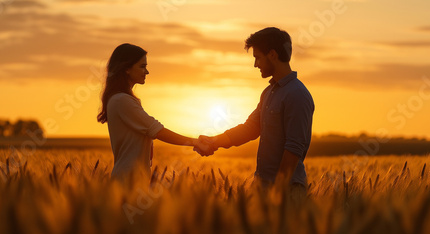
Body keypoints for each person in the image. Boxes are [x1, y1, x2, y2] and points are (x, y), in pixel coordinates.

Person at [196, 27, 315, 196]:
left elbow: (295, 147)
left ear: (272, 55)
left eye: (257, 57)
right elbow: (249, 128)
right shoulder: (269, 93)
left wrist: (277, 190)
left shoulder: (297, 94)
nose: (255, 64)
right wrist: (214, 141)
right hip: (263, 187)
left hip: (286, 190)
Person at [98, 43, 212, 184]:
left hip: (133, 178)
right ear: (127, 68)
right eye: (142, 66)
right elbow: (158, 131)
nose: (147, 72)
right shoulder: (122, 100)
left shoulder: (121, 99)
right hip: (128, 180)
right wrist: (195, 142)